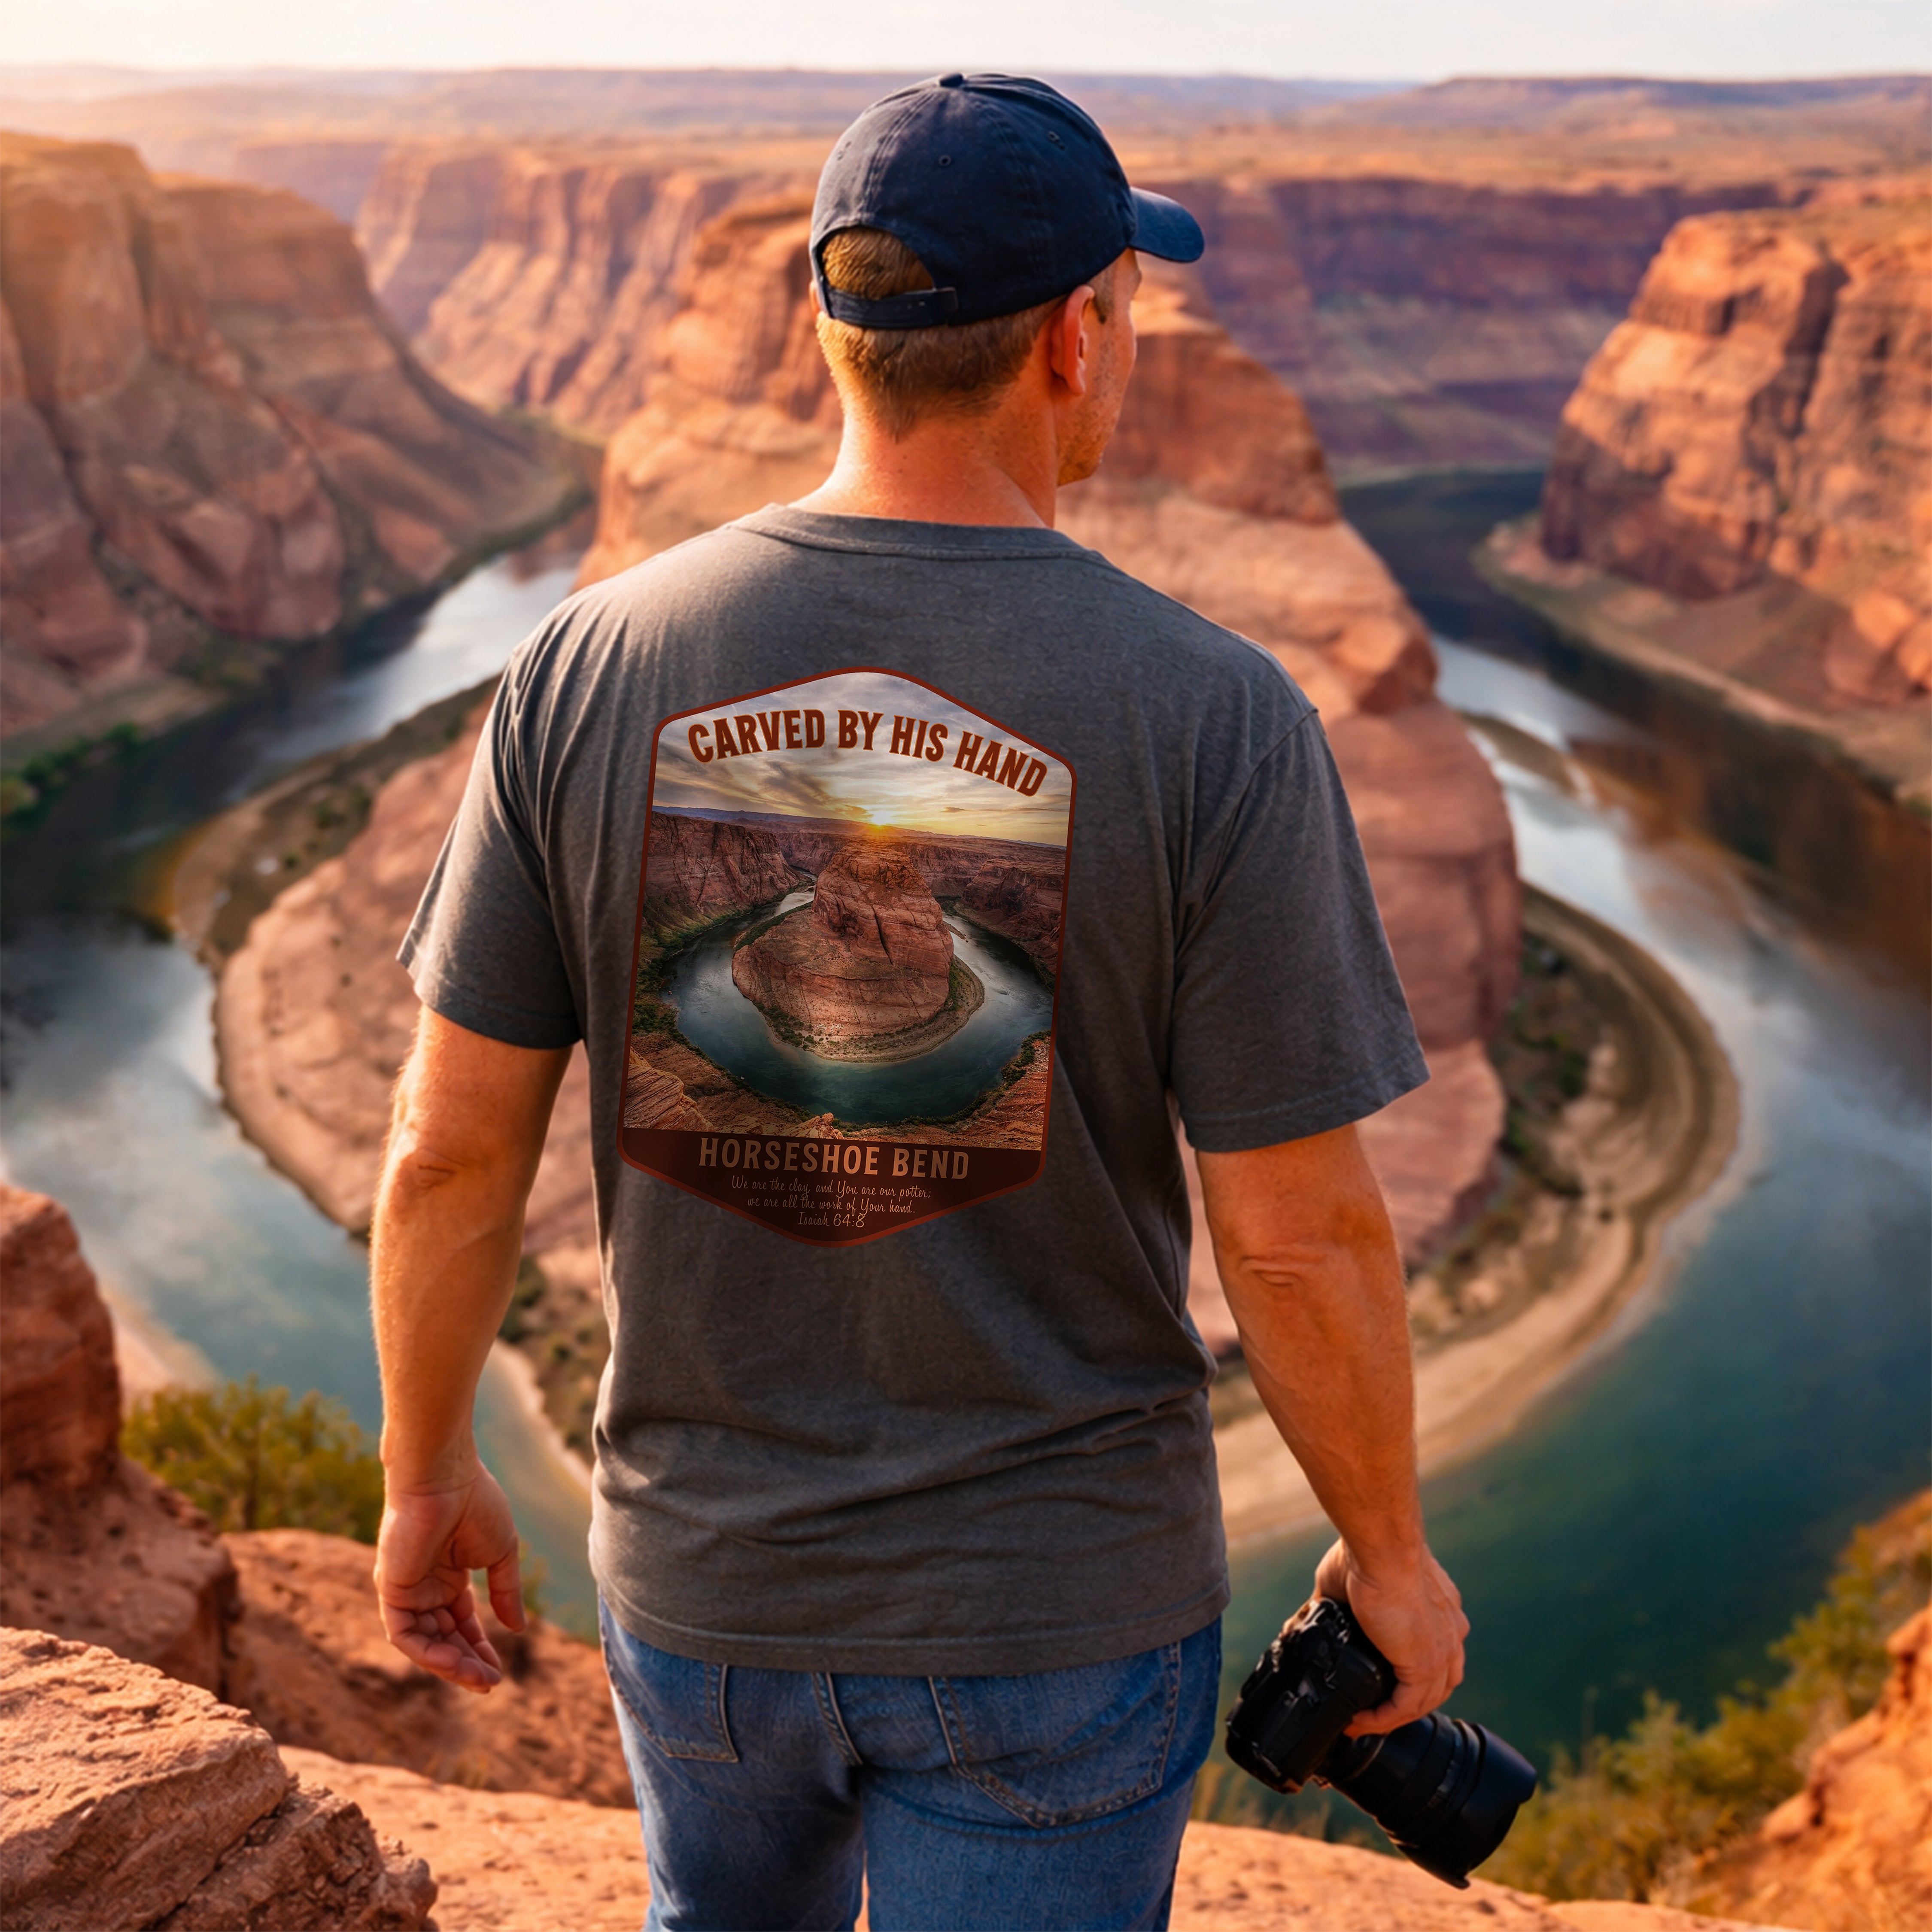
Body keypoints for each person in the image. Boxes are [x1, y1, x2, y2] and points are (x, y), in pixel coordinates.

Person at [370, 73, 1469, 1932]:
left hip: (704, 1600)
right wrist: (1389, 1555)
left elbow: (446, 1152)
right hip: (1055, 1615)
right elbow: (1297, 1242)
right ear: (1076, 338)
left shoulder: (588, 663)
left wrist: (423, 1474)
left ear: (827, 325)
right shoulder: (1208, 713)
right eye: (1127, 302)